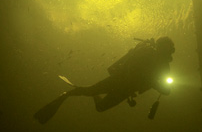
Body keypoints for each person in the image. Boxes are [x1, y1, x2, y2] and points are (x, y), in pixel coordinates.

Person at [34, 36, 175, 124]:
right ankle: (67, 94)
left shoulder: (163, 65)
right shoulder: (147, 52)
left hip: (126, 90)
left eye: (170, 50)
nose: (169, 53)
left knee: (100, 107)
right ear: (161, 47)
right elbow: (134, 69)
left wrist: (159, 85)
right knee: (89, 91)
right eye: (168, 49)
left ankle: (86, 93)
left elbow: (166, 90)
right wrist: (154, 82)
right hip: (119, 81)